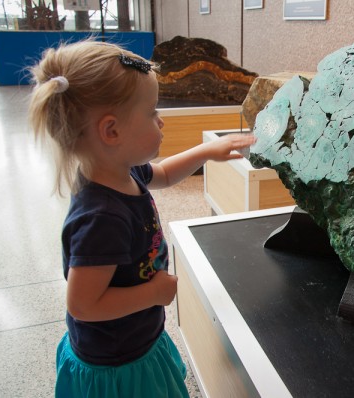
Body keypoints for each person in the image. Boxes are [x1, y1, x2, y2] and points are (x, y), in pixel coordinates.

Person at [28, 40, 256, 398]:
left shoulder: (118, 169)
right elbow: (84, 305)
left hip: (134, 335)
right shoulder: (101, 217)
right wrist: (152, 292)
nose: (161, 119)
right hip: (117, 363)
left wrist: (206, 151)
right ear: (111, 131)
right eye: (152, 112)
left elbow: (163, 173)